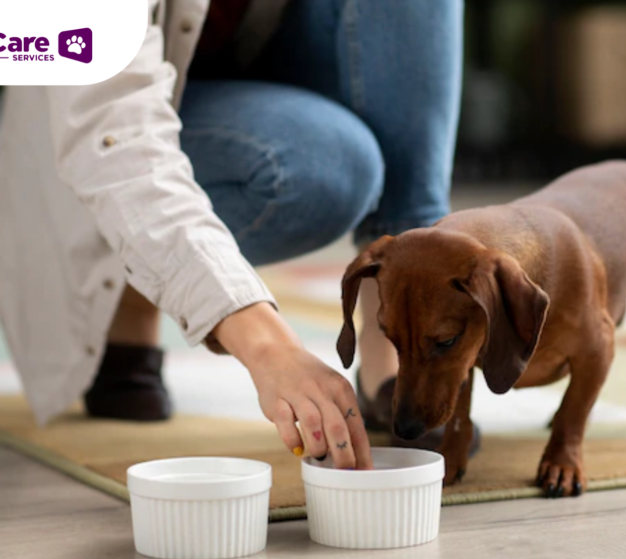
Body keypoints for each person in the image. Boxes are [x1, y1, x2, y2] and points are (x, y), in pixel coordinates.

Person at [0, 0, 465, 469]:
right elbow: (114, 142)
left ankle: (390, 349)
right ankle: (127, 293)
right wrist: (267, 345)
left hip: (257, 76)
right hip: (103, 122)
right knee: (328, 168)